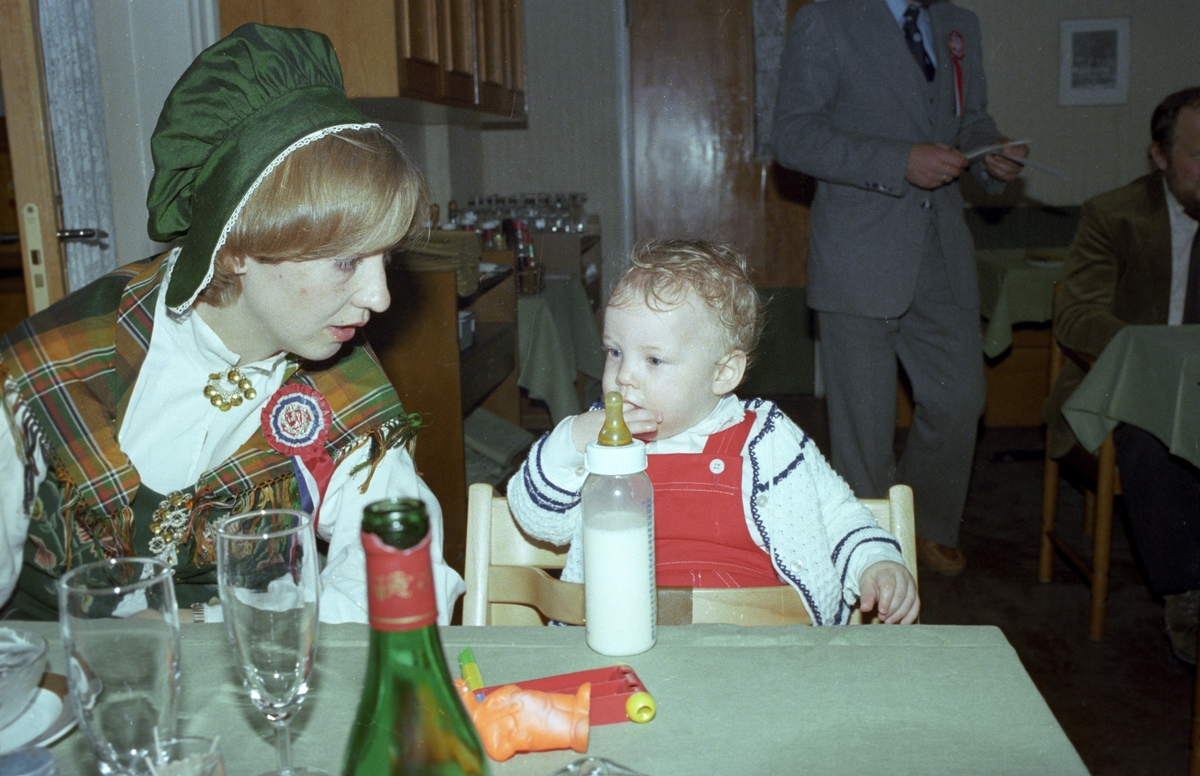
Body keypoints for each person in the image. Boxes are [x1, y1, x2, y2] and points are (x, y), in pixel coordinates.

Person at [0, 23, 465, 624]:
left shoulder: (341, 382)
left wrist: (221, 628)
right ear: (237, 246)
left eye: (386, 259)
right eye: (347, 261)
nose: (378, 298)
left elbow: (408, 573)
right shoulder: (43, 366)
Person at [507, 240, 920, 626]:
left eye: (653, 360)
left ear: (723, 373)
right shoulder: (596, 443)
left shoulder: (769, 438)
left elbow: (838, 515)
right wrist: (571, 440)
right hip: (625, 631)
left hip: (758, 641)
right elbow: (538, 518)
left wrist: (876, 562)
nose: (624, 376)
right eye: (615, 352)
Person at [773, 0, 1027, 577]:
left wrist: (993, 156)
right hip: (858, 254)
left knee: (961, 399)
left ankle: (927, 521)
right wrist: (898, 160)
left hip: (942, 249)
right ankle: (869, 550)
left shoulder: (962, 24)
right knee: (864, 427)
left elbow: (971, 121)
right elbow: (793, 136)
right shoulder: (826, 21)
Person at [1044, 86, 1200, 663]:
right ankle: (1185, 592)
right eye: (1199, 155)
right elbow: (1078, 316)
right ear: (1159, 156)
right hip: (1134, 390)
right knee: (1150, 437)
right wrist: (1151, 353)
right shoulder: (1116, 214)